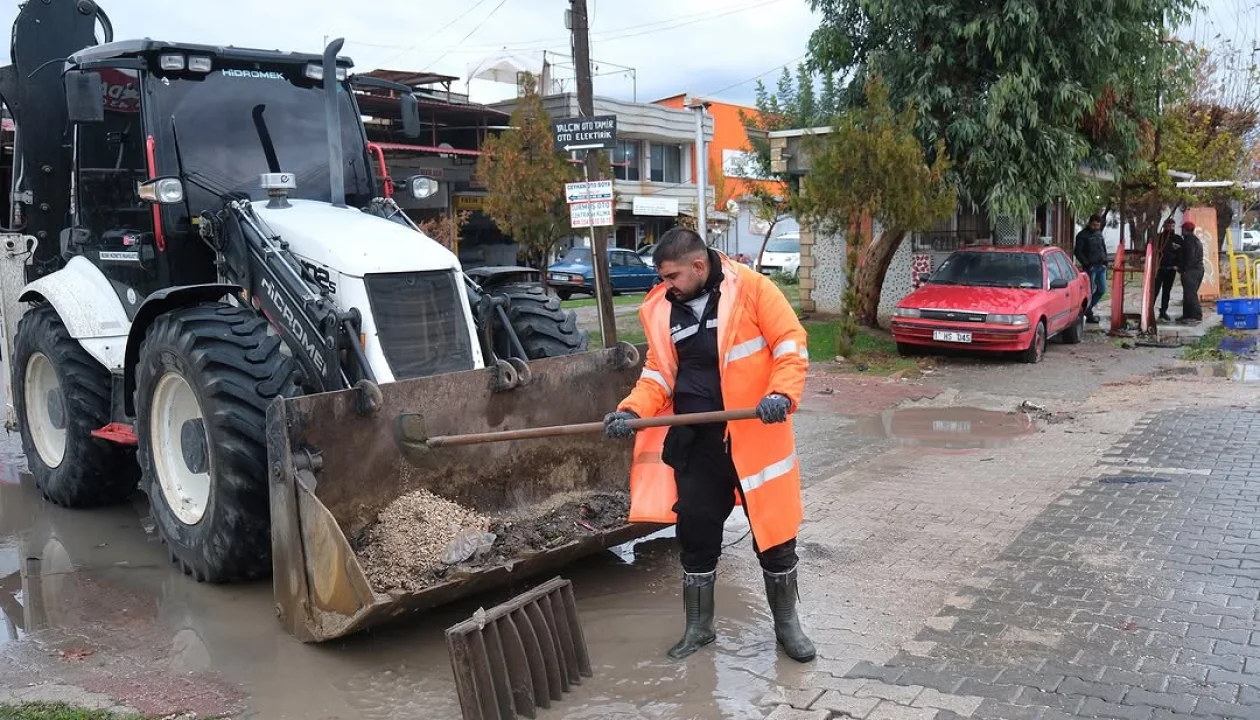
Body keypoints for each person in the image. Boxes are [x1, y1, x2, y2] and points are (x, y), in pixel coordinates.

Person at [603, 227, 814, 663]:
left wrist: (781, 394)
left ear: (699, 266)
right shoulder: (663, 308)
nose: (667, 285)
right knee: (696, 534)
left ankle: (787, 627)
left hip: (754, 438)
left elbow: (790, 345)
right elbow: (659, 374)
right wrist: (631, 411)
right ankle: (699, 628)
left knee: (775, 537)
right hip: (697, 443)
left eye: (673, 276)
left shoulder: (753, 290)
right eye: (662, 277)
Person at [1074, 215, 1109, 323]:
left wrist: (1105, 261)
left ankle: (1087, 309)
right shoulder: (1082, 235)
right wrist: (1087, 264)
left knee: (1102, 289)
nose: (1096, 227)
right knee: (1089, 291)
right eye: (1094, 225)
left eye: (1098, 225)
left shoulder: (1099, 234)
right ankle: (1088, 313)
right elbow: (1078, 252)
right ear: (1089, 223)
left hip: (1101, 266)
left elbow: (1103, 248)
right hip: (1091, 268)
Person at [1153, 218, 1181, 323]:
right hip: (1159, 268)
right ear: (1165, 226)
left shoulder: (1177, 239)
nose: (1170, 228)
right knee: (1155, 290)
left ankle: (1163, 311)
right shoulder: (1159, 238)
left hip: (1171, 269)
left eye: (1172, 226)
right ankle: (1150, 309)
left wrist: (1178, 265)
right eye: (1168, 226)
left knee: (1166, 291)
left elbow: (1181, 253)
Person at [1178, 220, 1204, 323]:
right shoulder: (1195, 240)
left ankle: (1196, 315)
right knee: (1188, 293)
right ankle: (1187, 315)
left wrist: (1183, 269)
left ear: (1185, 230)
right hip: (1197, 270)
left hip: (1191, 271)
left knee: (1191, 294)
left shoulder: (1188, 241)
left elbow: (1189, 257)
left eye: (1182, 229)